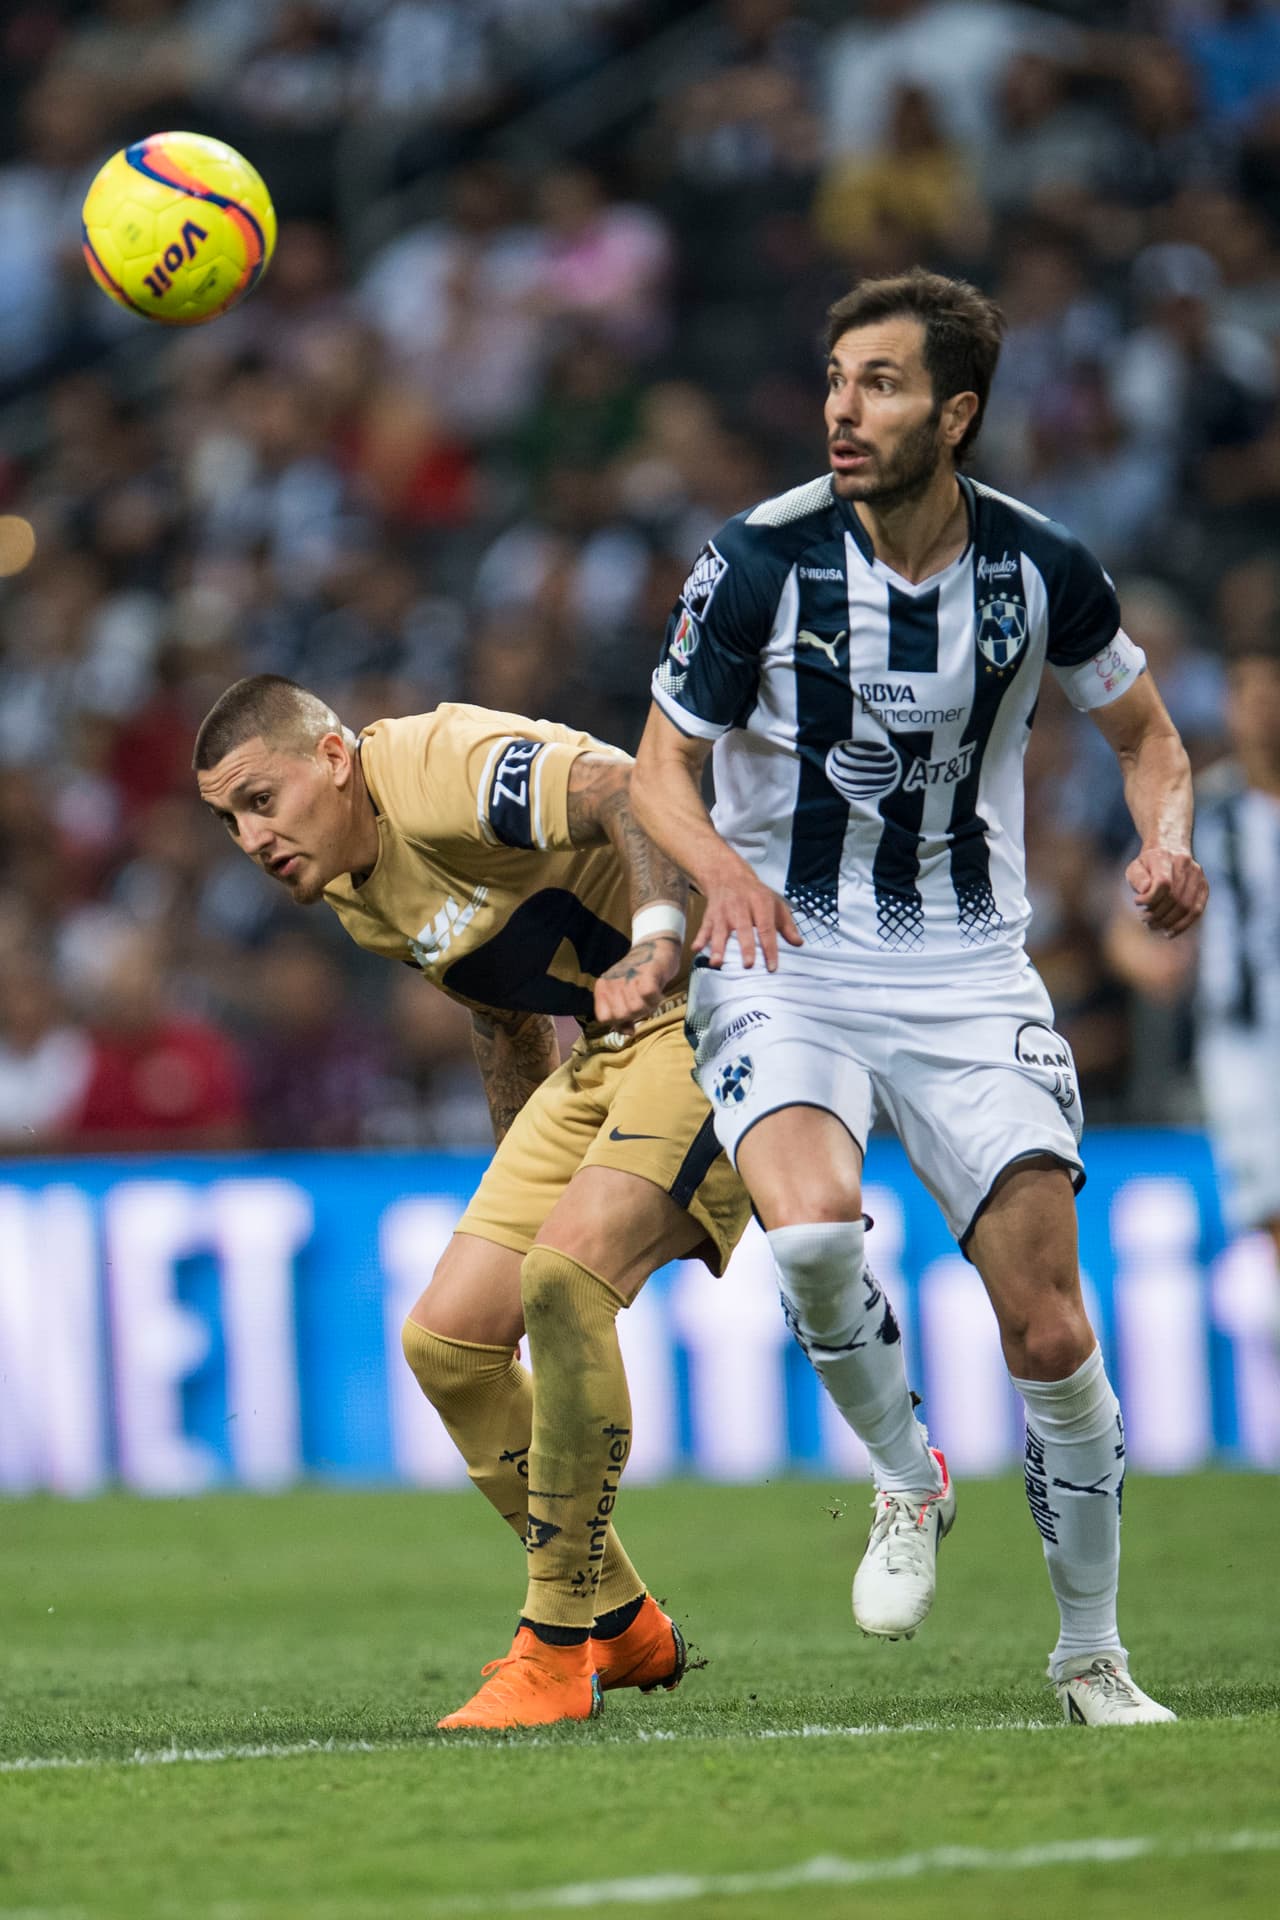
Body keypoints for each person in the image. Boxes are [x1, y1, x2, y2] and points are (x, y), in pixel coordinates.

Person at [630, 268, 1208, 1727]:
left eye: (879, 383)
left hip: (965, 969)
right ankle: (907, 1475)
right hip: (787, 954)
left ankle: (1090, 1657)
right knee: (815, 1232)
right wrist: (719, 876)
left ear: (954, 414)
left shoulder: (1040, 567)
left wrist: (1165, 844)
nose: (842, 407)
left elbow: (1150, 740)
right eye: (836, 379)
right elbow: (657, 767)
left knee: (1051, 1333)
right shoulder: (757, 560)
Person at [193, 675, 749, 1729]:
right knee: (449, 1343)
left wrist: (657, 936)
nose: (251, 839)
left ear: (333, 758)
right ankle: (623, 1620)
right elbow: (504, 1012)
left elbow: (629, 791)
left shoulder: (434, 767)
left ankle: (555, 1648)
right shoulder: (356, 890)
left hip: (721, 998)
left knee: (565, 1282)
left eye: (261, 800)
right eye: (230, 822)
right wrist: (524, 1176)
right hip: (609, 1051)